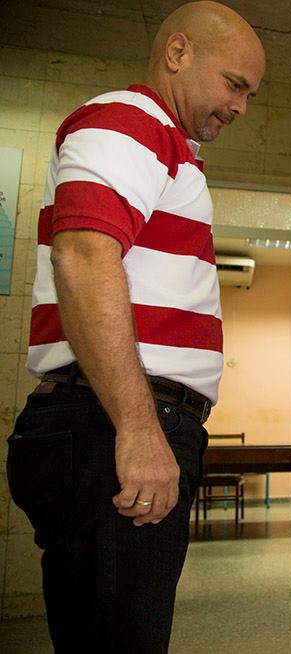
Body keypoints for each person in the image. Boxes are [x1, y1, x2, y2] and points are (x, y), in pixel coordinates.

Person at [5, 2, 265, 651]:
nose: (240, 107)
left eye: (250, 94)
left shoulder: (166, 146)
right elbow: (85, 254)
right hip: (111, 423)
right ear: (178, 53)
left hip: (114, 423)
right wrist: (139, 425)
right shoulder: (131, 122)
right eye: (234, 83)